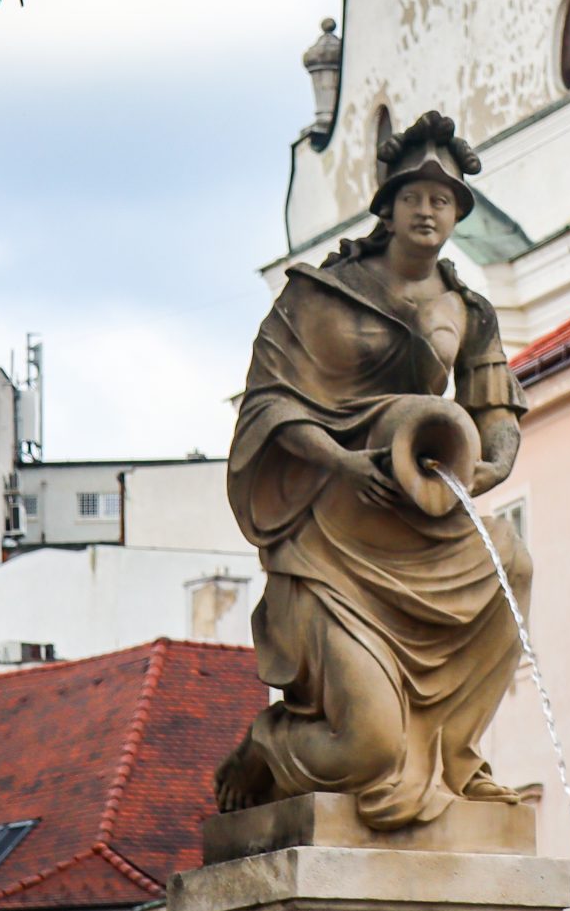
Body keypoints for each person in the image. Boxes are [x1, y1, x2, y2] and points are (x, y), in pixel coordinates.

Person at [216, 111, 530, 827]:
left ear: (457, 216)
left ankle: (454, 755)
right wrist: (341, 461)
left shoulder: (468, 310)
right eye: (415, 196)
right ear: (386, 207)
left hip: (419, 517)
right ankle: (270, 743)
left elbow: (496, 413)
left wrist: (483, 470)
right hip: (332, 535)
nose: (428, 209)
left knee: (514, 561)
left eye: (443, 199)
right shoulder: (318, 298)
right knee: (368, 746)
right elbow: (267, 406)